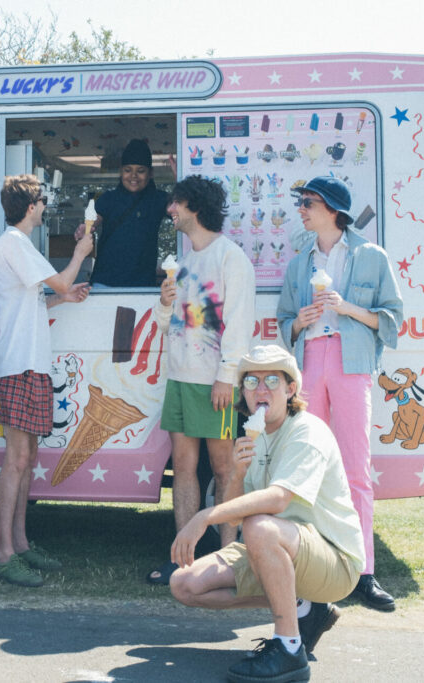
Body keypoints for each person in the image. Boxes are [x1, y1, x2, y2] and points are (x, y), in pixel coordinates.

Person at [169, 345, 364, 682]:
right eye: (251, 381)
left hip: (335, 560)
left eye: (272, 380)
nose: (261, 389)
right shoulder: (253, 436)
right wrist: (238, 474)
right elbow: (234, 516)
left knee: (260, 526)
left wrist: (203, 516)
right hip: (278, 548)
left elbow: (276, 500)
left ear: (290, 390)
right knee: (184, 584)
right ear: (242, 393)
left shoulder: (307, 431)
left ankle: (289, 648)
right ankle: (304, 607)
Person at [276, 175, 404, 612]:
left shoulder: (371, 256)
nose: (302, 209)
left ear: (332, 209)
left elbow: (392, 319)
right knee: (304, 465)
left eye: (308, 202)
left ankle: (363, 573)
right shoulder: (299, 263)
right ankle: (307, 569)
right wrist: (300, 320)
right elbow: (284, 322)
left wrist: (346, 307)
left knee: (354, 469)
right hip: (310, 362)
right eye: (302, 202)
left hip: (353, 367)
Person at [148, 175, 255, 585]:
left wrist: (227, 377)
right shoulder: (185, 260)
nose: (170, 210)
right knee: (184, 465)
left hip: (215, 381)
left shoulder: (231, 257)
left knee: (225, 468)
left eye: (175, 203)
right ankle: (184, 557)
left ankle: (230, 560)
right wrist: (163, 303)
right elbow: (167, 324)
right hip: (180, 377)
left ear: (193, 205)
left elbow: (239, 324)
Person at [0, 174, 94, 587]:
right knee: (17, 460)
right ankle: (4, 552)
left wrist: (60, 299)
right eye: (40, 201)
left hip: (29, 364)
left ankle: (20, 542)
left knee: (27, 458)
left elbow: (31, 298)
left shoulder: (17, 245)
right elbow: (62, 279)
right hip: (19, 364)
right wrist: (80, 252)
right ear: (31, 206)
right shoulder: (14, 243)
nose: (43, 207)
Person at [84, 139, 170, 287]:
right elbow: (92, 221)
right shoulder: (108, 198)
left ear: (151, 173)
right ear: (120, 171)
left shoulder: (159, 199)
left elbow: (185, 210)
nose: (134, 176)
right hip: (104, 283)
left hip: (142, 286)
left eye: (141, 171)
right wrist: (85, 229)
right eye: (128, 170)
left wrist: (180, 176)